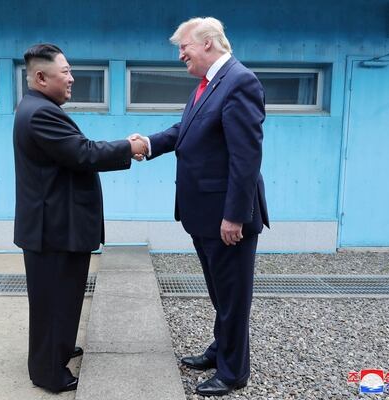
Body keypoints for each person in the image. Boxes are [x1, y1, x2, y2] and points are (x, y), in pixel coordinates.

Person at [132, 17, 269, 396]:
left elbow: (246, 157)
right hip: (203, 214)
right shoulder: (207, 86)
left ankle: (233, 372)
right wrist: (148, 143)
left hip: (226, 218)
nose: (181, 55)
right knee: (219, 293)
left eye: (184, 47)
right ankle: (220, 349)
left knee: (233, 297)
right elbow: (184, 131)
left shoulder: (240, 82)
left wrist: (235, 215)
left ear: (208, 43)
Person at [13, 43, 147, 393]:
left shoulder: (37, 107)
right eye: (65, 73)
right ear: (41, 78)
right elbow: (82, 153)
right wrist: (128, 147)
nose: (72, 78)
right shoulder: (41, 113)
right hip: (54, 228)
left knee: (61, 297)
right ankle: (48, 373)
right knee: (54, 301)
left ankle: (58, 348)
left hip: (55, 225)